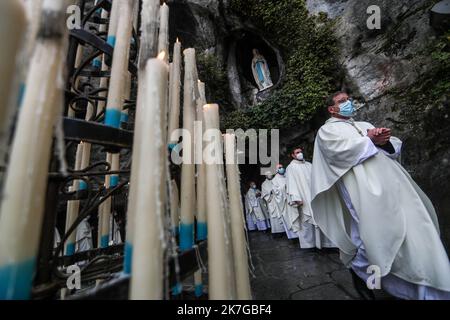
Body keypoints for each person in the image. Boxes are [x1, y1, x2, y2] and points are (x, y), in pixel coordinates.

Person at [311, 91, 450, 299]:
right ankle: (365, 276)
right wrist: (369, 140)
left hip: (395, 185)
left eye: (348, 99)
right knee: (373, 236)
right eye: (342, 101)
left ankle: (427, 285)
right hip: (362, 191)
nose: (348, 103)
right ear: (332, 109)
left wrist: (383, 140)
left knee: (416, 229)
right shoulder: (326, 131)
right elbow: (337, 153)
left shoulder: (365, 124)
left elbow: (391, 149)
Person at [286, 147, 335, 249]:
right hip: (303, 198)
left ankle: (324, 244)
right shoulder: (291, 168)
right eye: (297, 152)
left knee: (320, 218)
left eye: (301, 152)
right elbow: (291, 183)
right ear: (293, 155)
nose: (300, 154)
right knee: (307, 222)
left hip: (314, 196)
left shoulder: (309, 165)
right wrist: (296, 197)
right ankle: (309, 245)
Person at [271, 164, 300, 240]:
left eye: (282, 167)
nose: (282, 168)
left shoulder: (287, 177)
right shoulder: (274, 180)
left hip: (292, 201)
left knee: (296, 217)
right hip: (284, 203)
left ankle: (299, 236)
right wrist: (284, 188)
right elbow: (275, 192)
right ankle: (293, 237)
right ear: (276, 170)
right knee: (289, 219)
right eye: (280, 168)